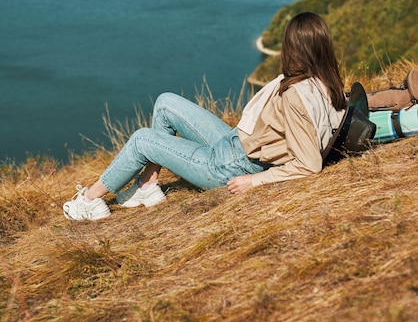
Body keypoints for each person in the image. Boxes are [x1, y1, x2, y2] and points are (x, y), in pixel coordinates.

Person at [63, 12, 347, 221]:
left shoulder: (296, 94)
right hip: (236, 146)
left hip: (231, 167)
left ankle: (90, 200)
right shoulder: (326, 82)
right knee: (165, 103)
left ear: (292, 47)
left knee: (141, 140)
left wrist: (254, 182)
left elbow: (309, 164)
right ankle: (147, 186)